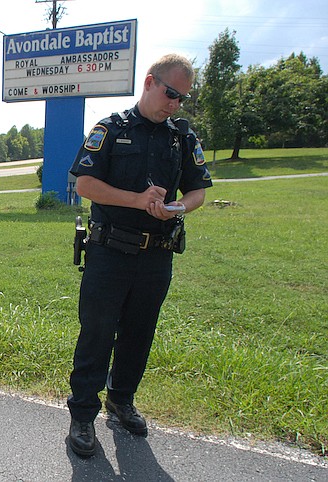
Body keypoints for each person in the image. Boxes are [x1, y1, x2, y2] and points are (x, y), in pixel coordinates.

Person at [66, 54, 213, 456]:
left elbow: (198, 190)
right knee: (96, 333)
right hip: (109, 252)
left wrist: (177, 208)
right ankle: (82, 414)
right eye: (171, 94)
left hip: (156, 257)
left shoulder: (181, 136)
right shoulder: (111, 129)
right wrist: (137, 200)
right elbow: (85, 185)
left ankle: (121, 400)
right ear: (149, 82)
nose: (175, 104)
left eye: (182, 98)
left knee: (139, 333)